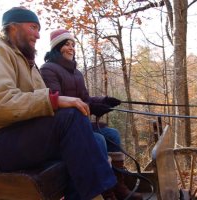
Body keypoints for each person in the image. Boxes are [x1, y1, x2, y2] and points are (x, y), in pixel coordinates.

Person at [0, 7, 116, 200]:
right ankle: (98, 196)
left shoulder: (28, 63)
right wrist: (54, 100)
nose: (38, 34)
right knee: (71, 119)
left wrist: (94, 104)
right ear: (12, 28)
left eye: (39, 29)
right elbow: (0, 103)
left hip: (18, 134)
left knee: (90, 139)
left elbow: (38, 106)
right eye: (33, 27)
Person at [40, 29, 143, 200]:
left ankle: (119, 185)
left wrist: (103, 102)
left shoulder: (77, 73)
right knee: (99, 140)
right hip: (63, 131)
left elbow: (85, 99)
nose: (71, 48)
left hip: (81, 122)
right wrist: (89, 106)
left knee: (112, 135)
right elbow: (57, 102)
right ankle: (106, 192)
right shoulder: (48, 70)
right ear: (57, 47)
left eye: (73, 45)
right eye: (66, 44)